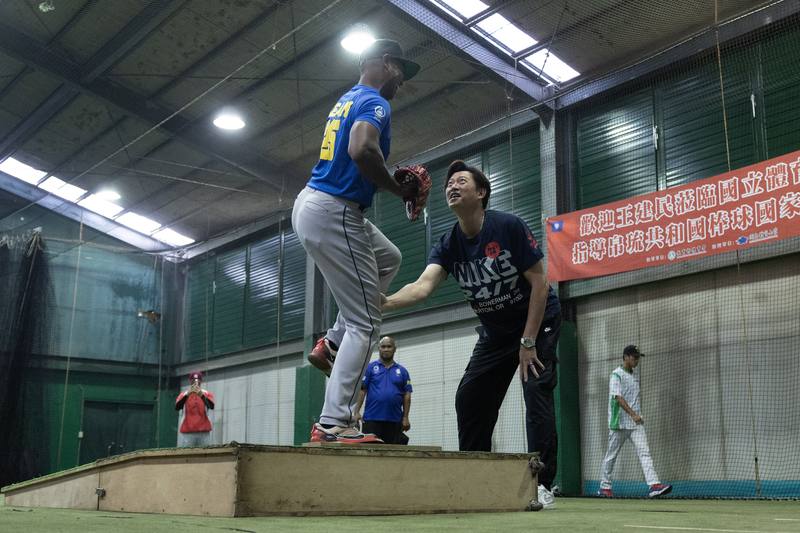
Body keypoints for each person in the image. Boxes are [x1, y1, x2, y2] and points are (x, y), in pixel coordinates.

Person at [382, 160, 562, 508]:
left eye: (461, 181)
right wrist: (384, 302)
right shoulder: (448, 243)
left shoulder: (508, 226)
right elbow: (422, 287)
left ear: (481, 193)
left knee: (536, 391)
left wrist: (528, 342)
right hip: (495, 333)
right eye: (449, 183)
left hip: (536, 323)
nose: (452, 186)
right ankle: (476, 474)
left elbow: (540, 284)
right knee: (470, 397)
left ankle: (543, 483)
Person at [291, 39, 420, 443]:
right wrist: (401, 191)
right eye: (400, 69)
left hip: (315, 204)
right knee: (366, 323)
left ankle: (330, 343)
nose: (401, 79)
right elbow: (362, 149)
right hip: (336, 211)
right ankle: (333, 423)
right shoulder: (376, 103)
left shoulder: (347, 99)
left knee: (389, 257)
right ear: (384, 63)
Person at [598, 345, 672, 498]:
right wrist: (633, 414)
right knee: (611, 455)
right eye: (634, 357)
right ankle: (605, 487)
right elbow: (618, 398)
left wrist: (637, 416)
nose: (637, 360)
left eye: (638, 357)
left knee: (645, 452)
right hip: (619, 423)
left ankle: (654, 485)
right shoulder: (616, 375)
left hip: (635, 424)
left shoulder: (634, 375)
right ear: (625, 357)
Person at [353, 336, 413, 444]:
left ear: (395, 349)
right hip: (372, 419)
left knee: (393, 455)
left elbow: (407, 396)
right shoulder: (370, 368)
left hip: (394, 420)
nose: (386, 349)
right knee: (370, 454)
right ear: (379, 348)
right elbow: (362, 391)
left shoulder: (403, 371)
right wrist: (356, 412)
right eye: (383, 346)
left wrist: (405, 418)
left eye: (389, 346)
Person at [175, 371, 215, 447]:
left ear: (201, 381)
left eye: (198, 380)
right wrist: (187, 394)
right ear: (190, 381)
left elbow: (211, 406)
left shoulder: (206, 393)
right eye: (193, 380)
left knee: (204, 454)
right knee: (187, 455)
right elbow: (177, 407)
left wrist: (201, 395)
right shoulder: (184, 394)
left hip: (204, 431)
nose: (196, 382)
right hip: (188, 432)